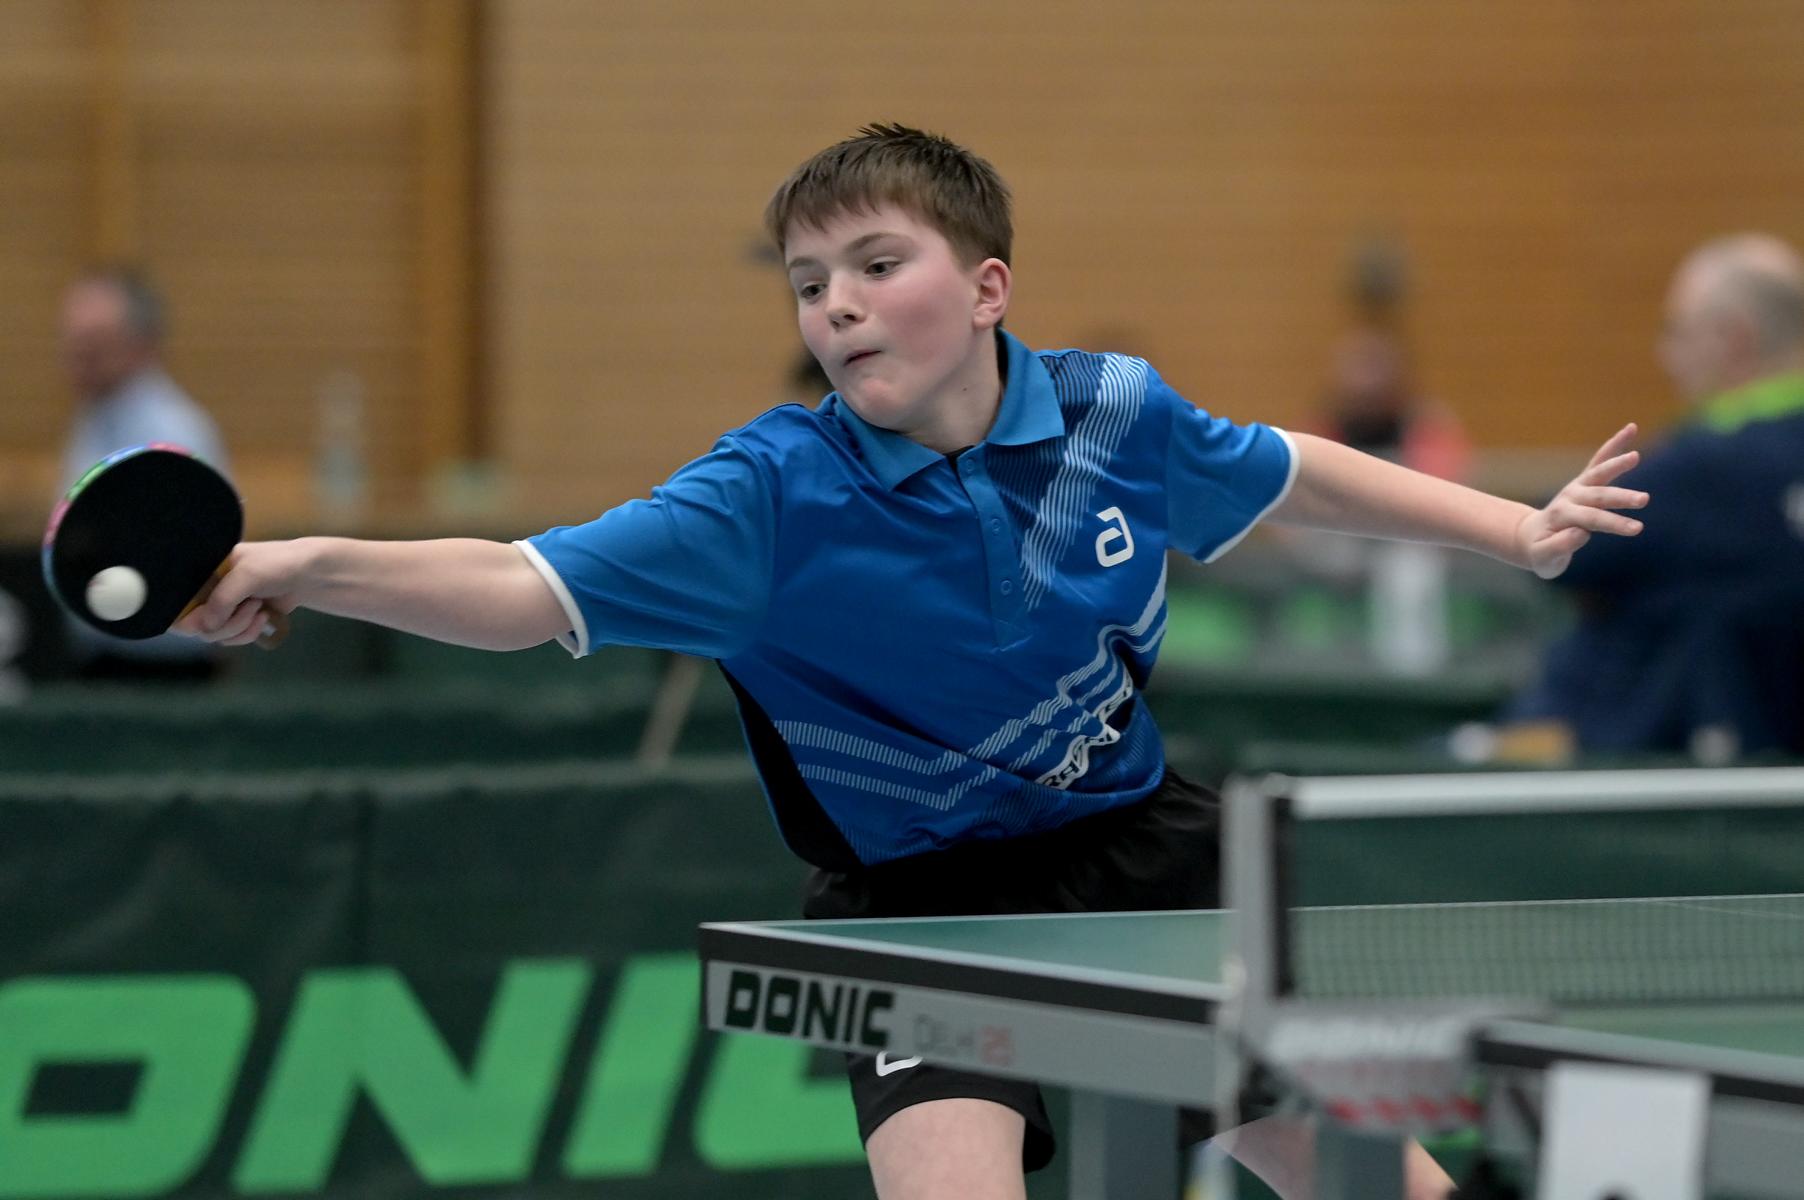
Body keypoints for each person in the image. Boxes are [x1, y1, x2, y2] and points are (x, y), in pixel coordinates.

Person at [175, 125, 1646, 1199]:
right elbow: (516, 585)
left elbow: (1287, 473)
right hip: (917, 901)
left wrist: (1513, 531)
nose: (838, 305)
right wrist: (303, 565)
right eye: (810, 282)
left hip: (1141, 850)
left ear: (989, 288)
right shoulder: (765, 496)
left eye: (879, 265)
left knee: (1374, 1185)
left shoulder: (1111, 416)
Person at [1502, 233, 1804, 760]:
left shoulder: (1707, 465)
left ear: (1735, 340)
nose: (1665, 356)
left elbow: (1557, 546)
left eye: (1676, 331)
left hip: (1652, 769)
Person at [58, 266, 231, 683]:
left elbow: (189, 561)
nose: (79, 356)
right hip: (101, 657)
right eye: (72, 340)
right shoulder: (93, 416)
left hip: (165, 671)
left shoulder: (175, 434)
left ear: (143, 343)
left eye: (95, 342)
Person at [1313, 326, 1470, 483]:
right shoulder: (1322, 429)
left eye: (1375, 366)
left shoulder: (1428, 427)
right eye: (1360, 367)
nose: (1369, 381)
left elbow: (1443, 482)